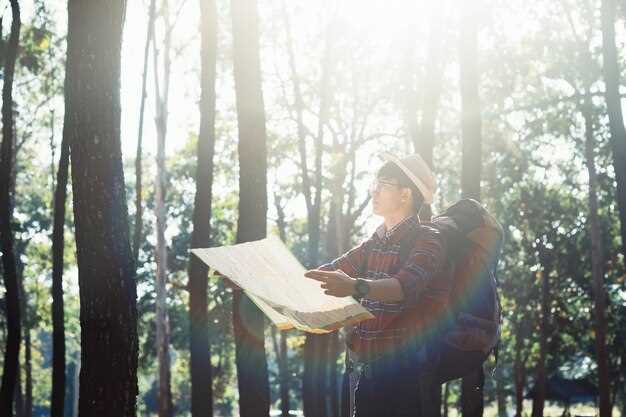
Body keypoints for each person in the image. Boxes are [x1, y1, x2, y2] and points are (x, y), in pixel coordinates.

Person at [304, 153, 452, 417]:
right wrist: (256, 285)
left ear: (405, 195)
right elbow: (326, 274)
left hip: (401, 377)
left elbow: (403, 287)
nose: (374, 191)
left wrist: (354, 287)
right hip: (358, 371)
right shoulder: (373, 243)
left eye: (383, 184)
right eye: (375, 183)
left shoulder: (429, 239)